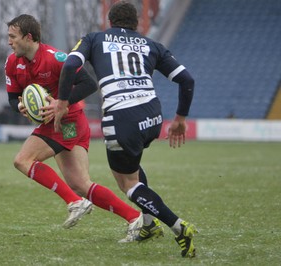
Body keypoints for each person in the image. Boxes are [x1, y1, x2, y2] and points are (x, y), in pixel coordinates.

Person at [54, 1, 198, 258]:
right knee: (132, 164)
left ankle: (178, 228)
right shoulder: (150, 44)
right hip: (153, 115)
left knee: (127, 182)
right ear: (137, 24)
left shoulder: (94, 39)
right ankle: (148, 224)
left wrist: (63, 102)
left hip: (123, 117)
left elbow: (69, 66)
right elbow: (186, 79)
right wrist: (180, 118)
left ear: (110, 22)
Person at [4, 14, 162, 242]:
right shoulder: (12, 63)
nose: (9, 42)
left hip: (68, 122)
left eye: (13, 37)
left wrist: (61, 103)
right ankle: (135, 218)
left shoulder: (55, 58)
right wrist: (19, 106)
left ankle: (74, 202)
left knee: (23, 160)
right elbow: (12, 98)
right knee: (80, 184)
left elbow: (88, 83)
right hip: (57, 124)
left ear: (28, 37)